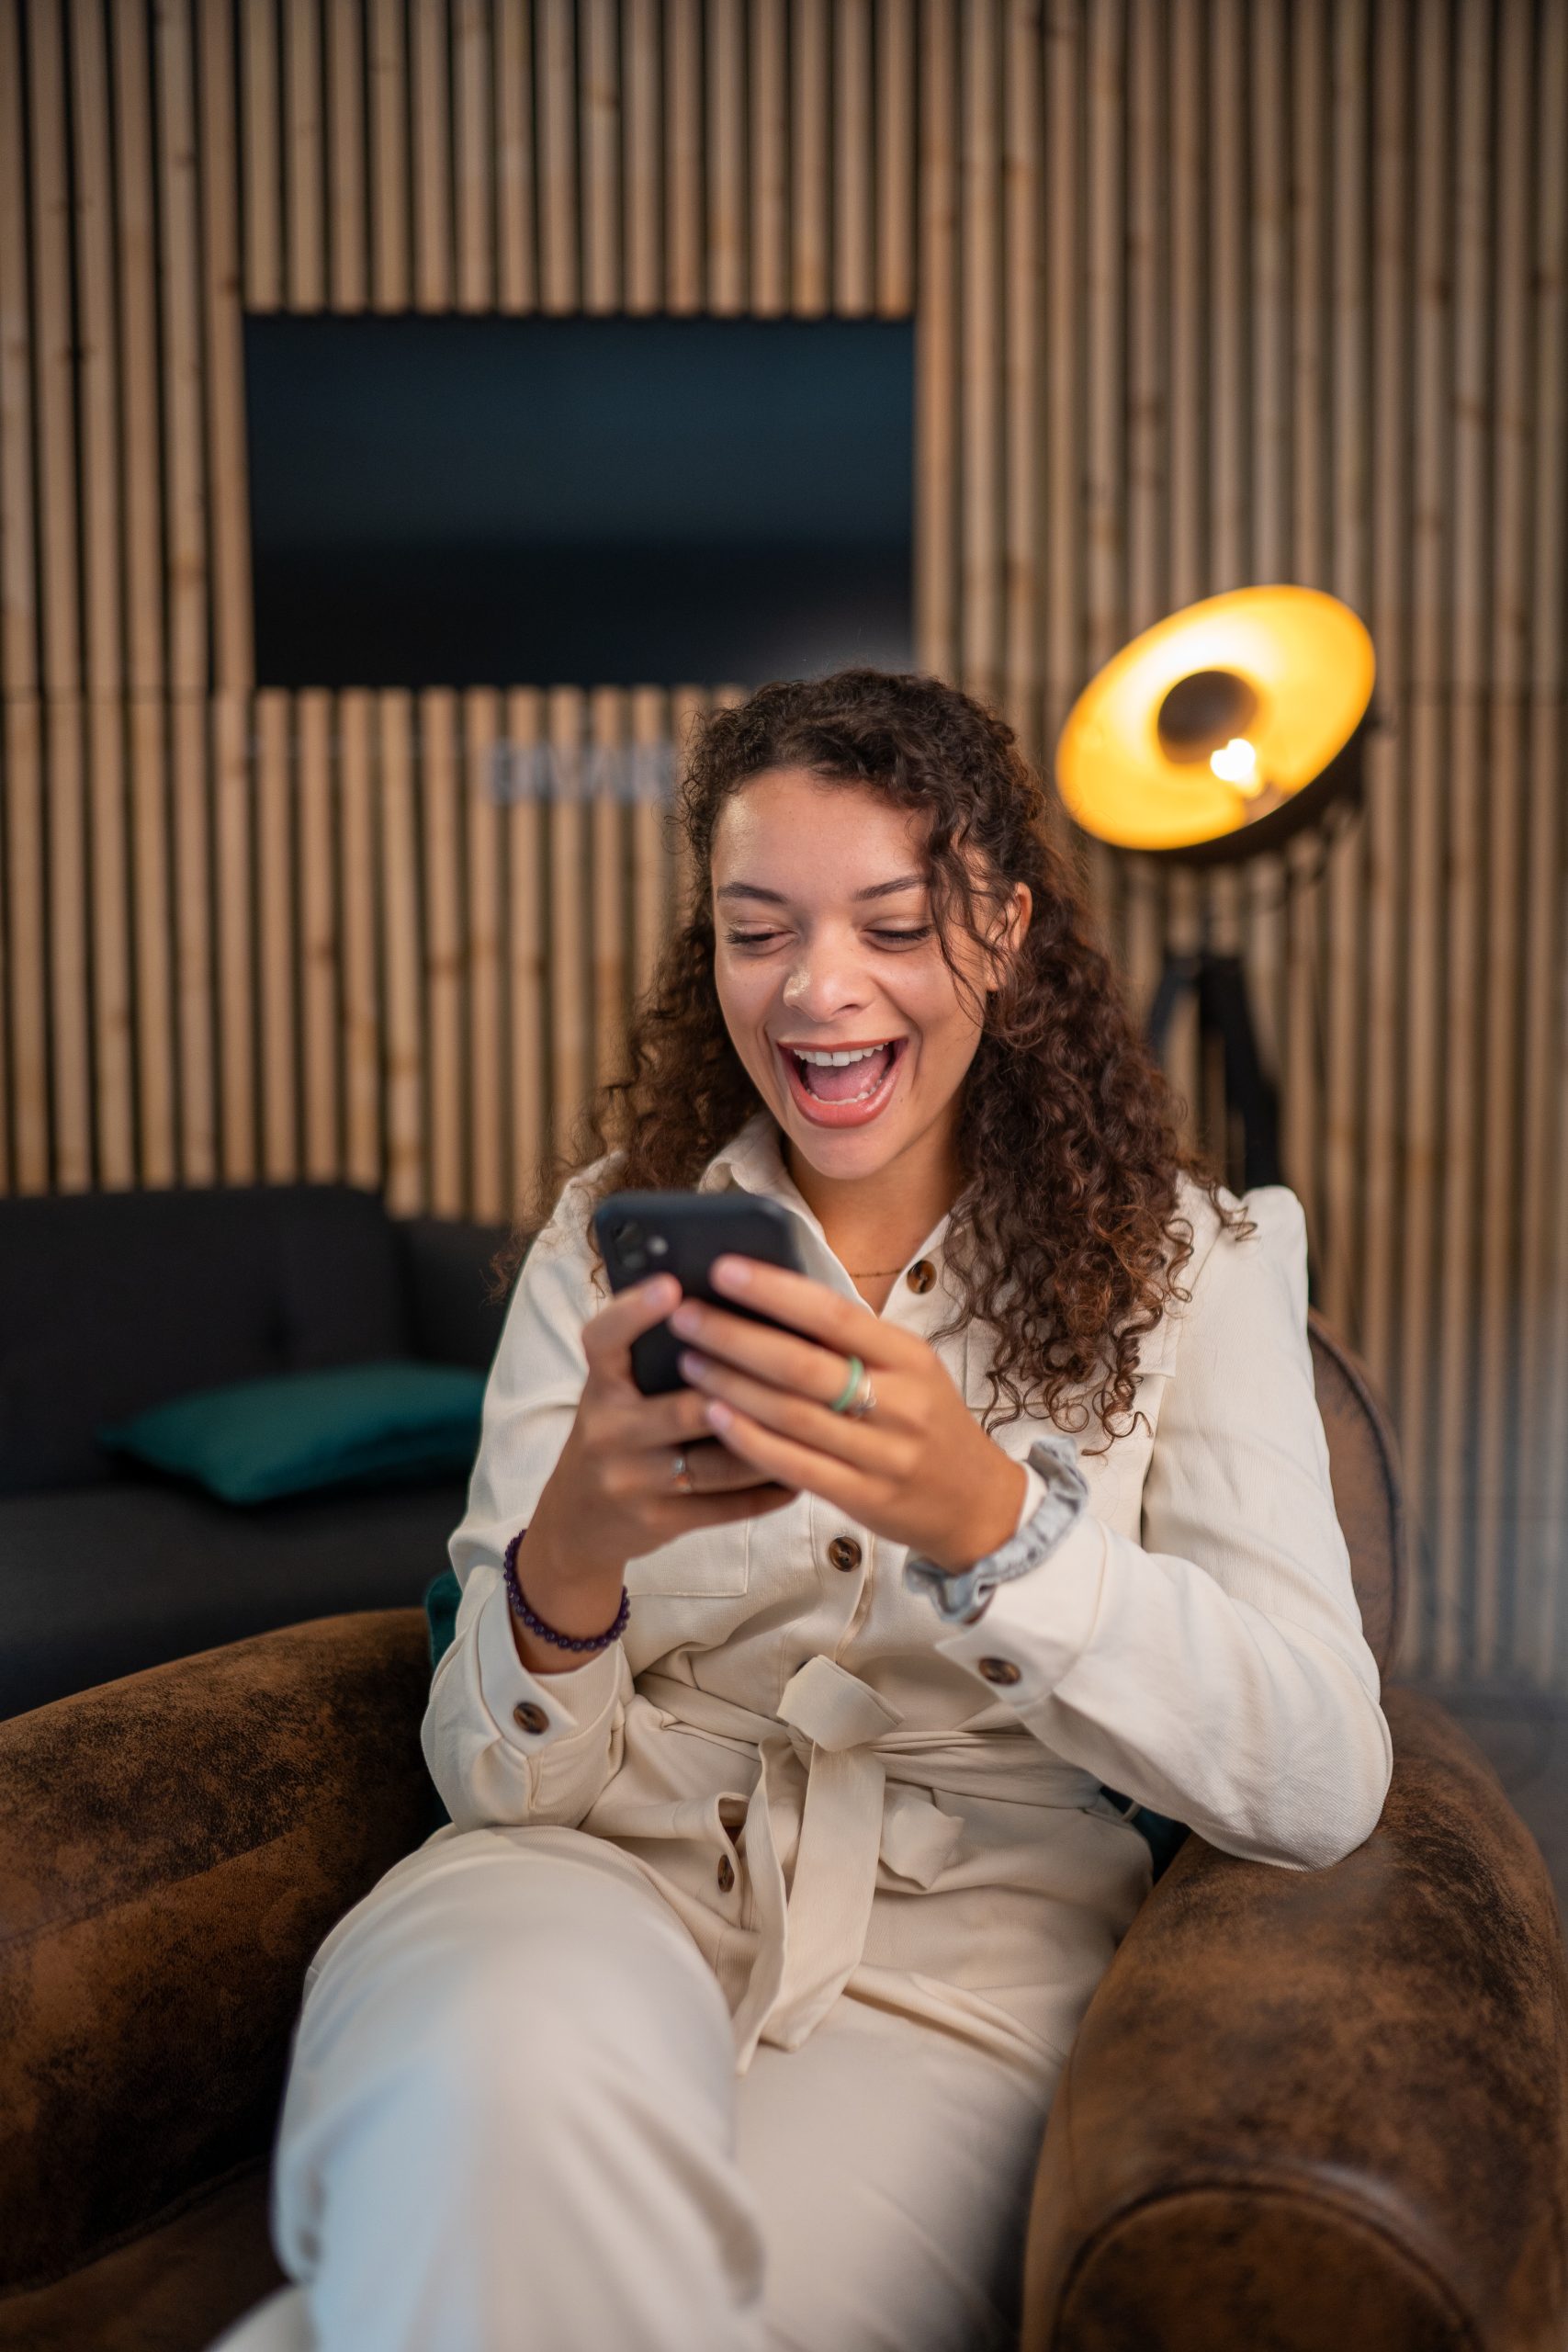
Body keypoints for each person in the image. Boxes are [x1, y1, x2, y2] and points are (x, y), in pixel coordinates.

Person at [211, 668, 1392, 2352]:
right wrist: (572, 1558)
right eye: (756, 930)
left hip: (954, 1981)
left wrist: (997, 1523)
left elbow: (1321, 1774)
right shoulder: (609, 1243)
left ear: (1005, 927)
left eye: (895, 924)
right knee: (493, 2117)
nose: (816, 990)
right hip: (572, 1889)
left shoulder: (1200, 1270)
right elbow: (492, 1778)